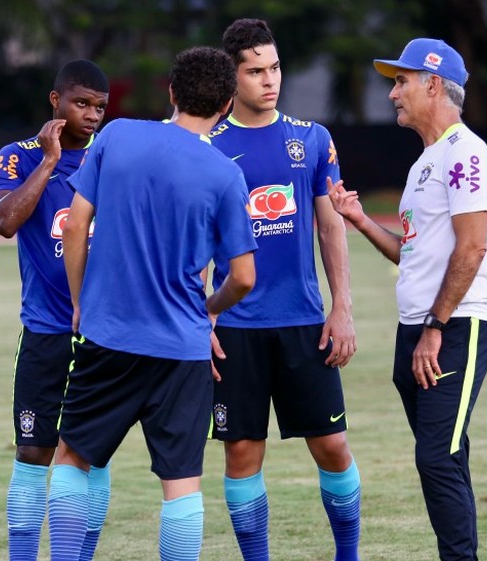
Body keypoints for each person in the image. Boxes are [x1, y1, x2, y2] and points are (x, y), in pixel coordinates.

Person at [47, 46, 257, 561]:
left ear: (170, 91)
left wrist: (80, 302)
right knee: (181, 484)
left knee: (73, 457)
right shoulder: (225, 174)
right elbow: (245, 279)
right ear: (228, 105)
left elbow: (75, 226)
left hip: (108, 336)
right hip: (183, 350)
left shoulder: (116, 135)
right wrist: (208, 310)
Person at [329, 38, 487, 561]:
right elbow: (414, 252)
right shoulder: (426, 161)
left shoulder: (466, 152)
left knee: (437, 458)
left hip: (454, 328)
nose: (392, 94)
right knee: (445, 456)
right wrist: (358, 221)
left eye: (400, 82)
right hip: (417, 330)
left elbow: (471, 249)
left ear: (432, 82)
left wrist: (434, 328)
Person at [207, 18, 362, 561]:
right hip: (235, 329)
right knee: (242, 454)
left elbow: (330, 226)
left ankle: (349, 554)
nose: (269, 80)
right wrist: (201, 319)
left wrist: (341, 307)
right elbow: (196, 241)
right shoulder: (207, 144)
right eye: (255, 71)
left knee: (332, 446)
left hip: (303, 321)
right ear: (232, 77)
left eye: (274, 68)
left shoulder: (312, 138)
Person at [0, 59, 111, 561]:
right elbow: (5, 220)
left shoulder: (111, 158)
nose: (92, 115)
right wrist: (49, 159)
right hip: (44, 331)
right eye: (81, 103)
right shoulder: (17, 155)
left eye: (100, 107)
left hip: (104, 334)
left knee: (91, 458)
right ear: (55, 102)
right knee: (32, 453)